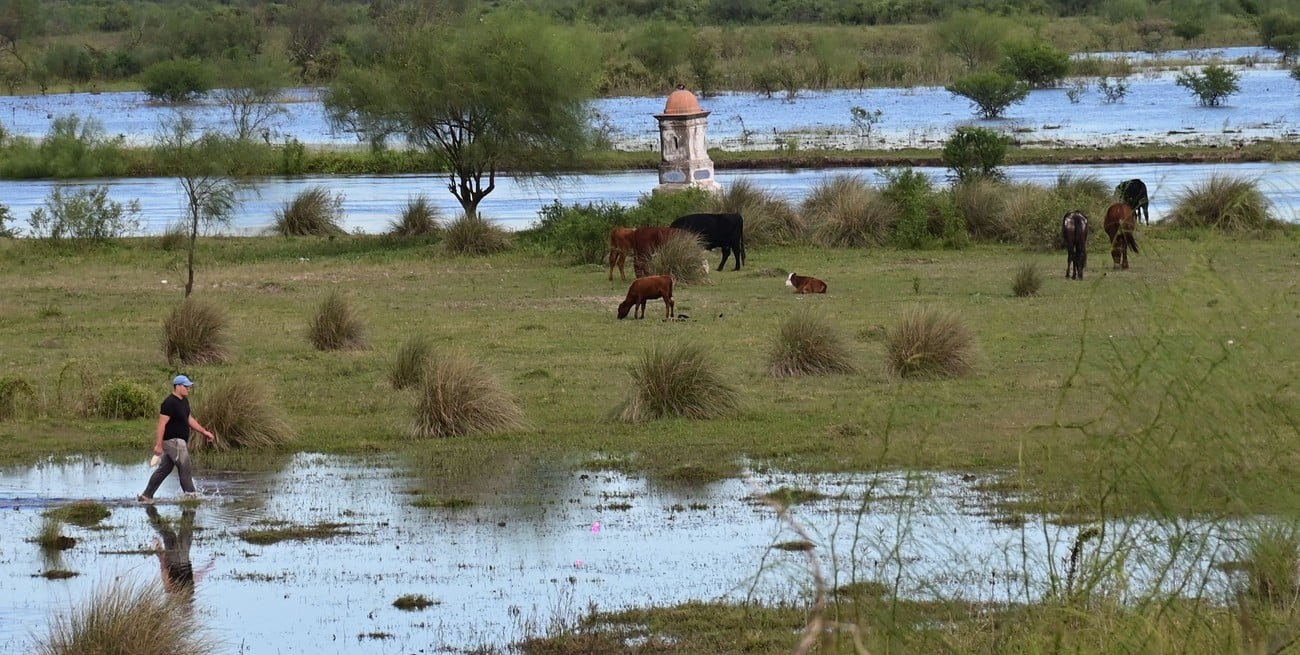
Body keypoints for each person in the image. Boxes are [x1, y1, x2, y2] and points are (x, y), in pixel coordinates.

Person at [138, 374, 215, 503]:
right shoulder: (169, 403)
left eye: (189, 387)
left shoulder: (184, 401)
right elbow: (161, 424)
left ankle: (146, 496)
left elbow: (189, 419)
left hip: (179, 442)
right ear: (178, 386)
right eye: (186, 387)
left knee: (164, 469)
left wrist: (204, 432)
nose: (189, 389)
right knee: (185, 467)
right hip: (174, 442)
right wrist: (158, 445)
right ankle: (191, 498)